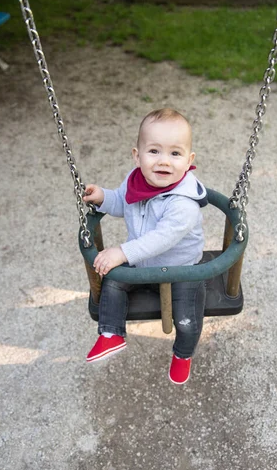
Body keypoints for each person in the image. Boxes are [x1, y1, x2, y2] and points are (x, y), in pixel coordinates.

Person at [83, 108, 207, 384]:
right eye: (154, 151)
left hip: (181, 268)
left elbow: (162, 238)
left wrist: (122, 252)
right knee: (114, 281)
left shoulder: (183, 203)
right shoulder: (135, 181)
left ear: (189, 160)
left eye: (175, 154)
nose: (164, 161)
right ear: (137, 156)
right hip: (142, 261)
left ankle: (183, 355)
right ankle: (111, 334)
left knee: (187, 319)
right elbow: (122, 202)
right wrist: (104, 197)